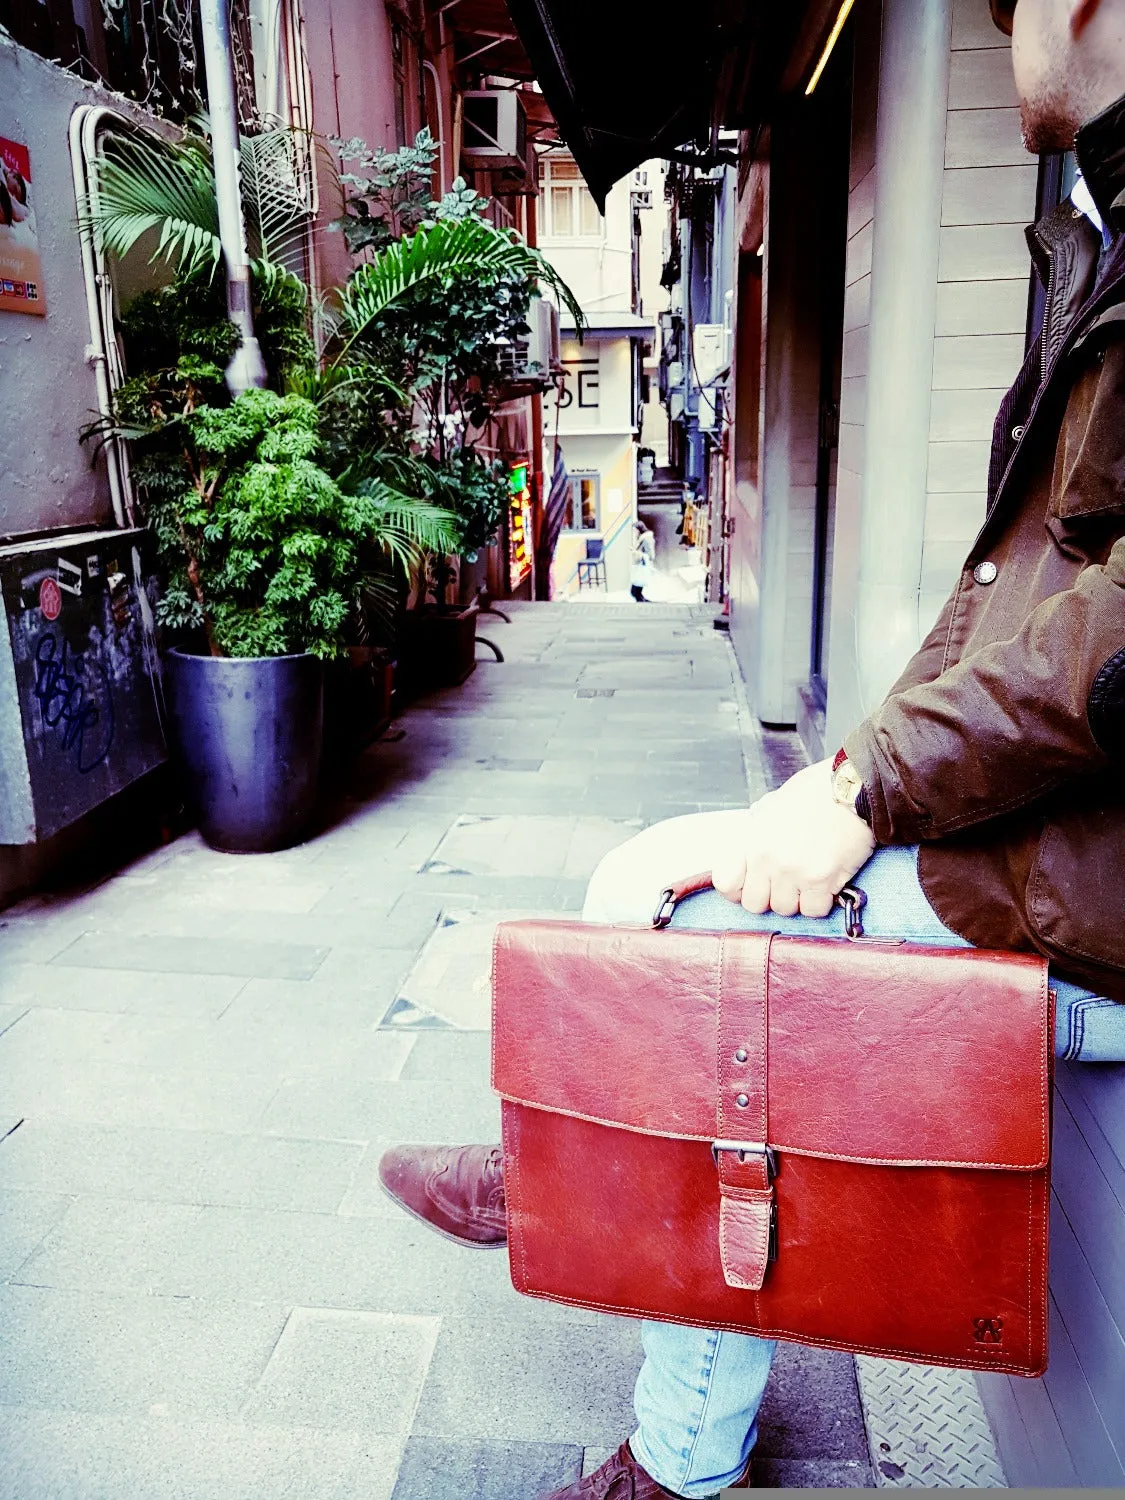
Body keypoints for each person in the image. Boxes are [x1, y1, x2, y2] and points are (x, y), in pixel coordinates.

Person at [379, 0, 1125, 1492]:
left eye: (1007, 9)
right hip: (1055, 843)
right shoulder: (1106, 237)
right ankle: (573, 1174)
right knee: (650, 880)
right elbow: (996, 607)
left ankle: (673, 1437)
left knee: (693, 940)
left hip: (1090, 901)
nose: (1005, 36)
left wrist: (862, 790)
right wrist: (840, 784)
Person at [631, 519, 655, 602]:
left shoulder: (646, 539)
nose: (634, 532)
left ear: (639, 529)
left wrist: (638, 553)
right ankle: (642, 601)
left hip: (642, 566)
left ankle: (642, 604)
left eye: (635, 530)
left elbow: (651, 555)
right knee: (636, 591)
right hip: (640, 566)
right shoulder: (643, 538)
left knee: (635, 591)